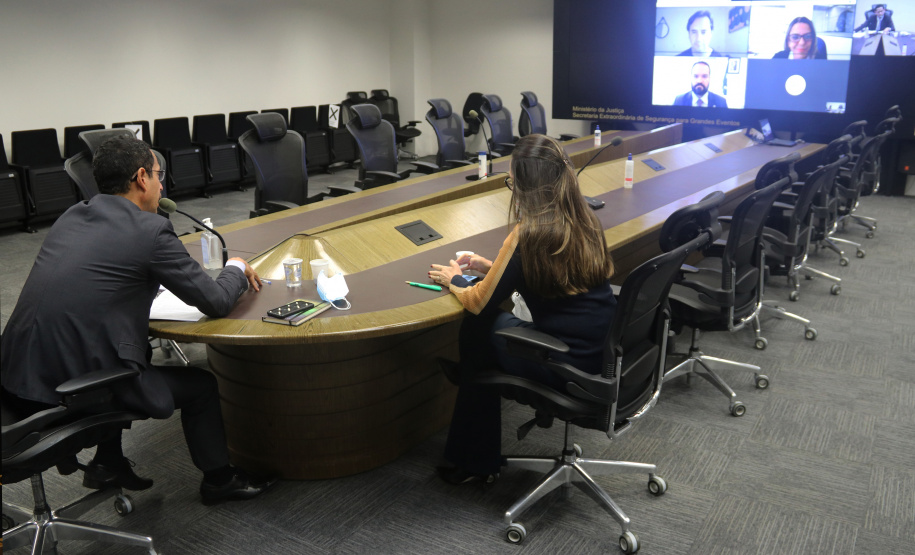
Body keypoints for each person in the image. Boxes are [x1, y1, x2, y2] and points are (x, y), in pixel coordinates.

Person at [0, 136, 275, 505]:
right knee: (201, 386)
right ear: (142, 177)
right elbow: (217, 301)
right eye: (160, 175)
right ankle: (220, 480)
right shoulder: (151, 232)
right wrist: (236, 267)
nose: (164, 185)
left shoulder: (71, 216)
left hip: (17, 377)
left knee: (129, 348)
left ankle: (109, 462)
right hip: (69, 390)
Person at [428, 134, 616, 484]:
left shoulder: (529, 232)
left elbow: (478, 302)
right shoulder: (584, 218)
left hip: (565, 361)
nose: (510, 188)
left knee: (477, 328)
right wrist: (490, 266)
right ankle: (471, 447)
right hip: (600, 354)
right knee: (484, 337)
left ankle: (474, 459)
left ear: (526, 185)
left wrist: (455, 279)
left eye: (511, 181)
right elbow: (552, 275)